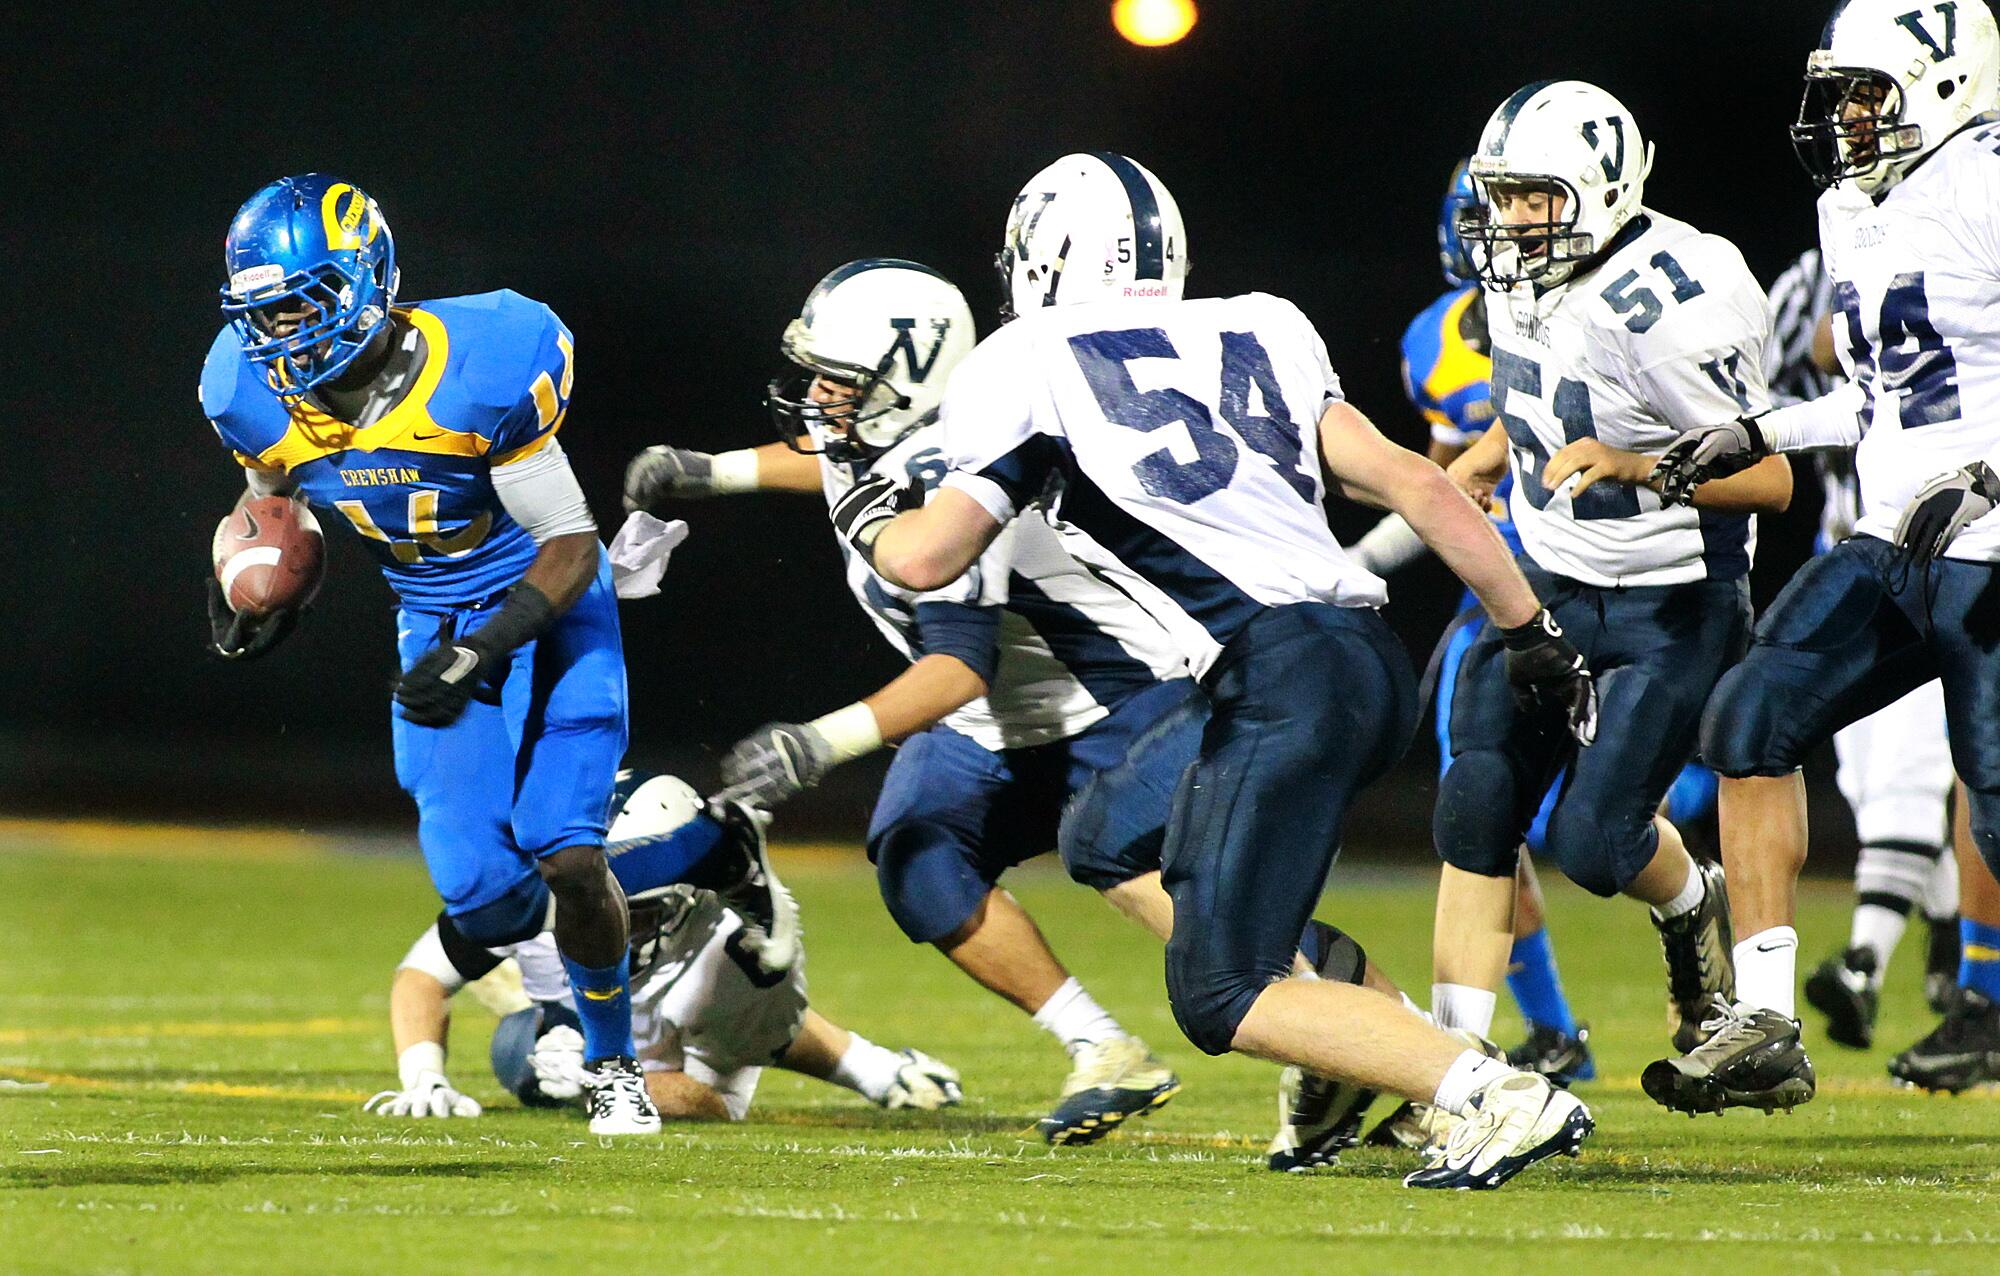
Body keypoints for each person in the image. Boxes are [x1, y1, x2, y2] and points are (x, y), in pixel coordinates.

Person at [842, 150, 1599, 1190]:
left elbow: (926, 557)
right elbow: (1419, 487)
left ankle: (1486, 1092)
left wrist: (867, 518)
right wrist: (1529, 633)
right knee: (1101, 830)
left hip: (1274, 675)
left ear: (1051, 252)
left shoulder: (1024, 359)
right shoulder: (1263, 322)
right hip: (1351, 658)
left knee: (1220, 995)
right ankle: (1361, 1062)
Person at [622, 259, 1191, 1144]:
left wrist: (821, 741)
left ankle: (1361, 1038)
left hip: (1106, 698)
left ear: (912, 379)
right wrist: (710, 472)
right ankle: (1104, 1049)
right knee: (918, 856)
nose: (818, 395)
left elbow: (958, 664)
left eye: (840, 380)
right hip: (999, 713)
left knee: (1198, 903)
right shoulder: (880, 434)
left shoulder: (958, 460)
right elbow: (840, 468)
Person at [202, 174, 669, 1132]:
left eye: (302, 303)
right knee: (487, 898)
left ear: (369, 280)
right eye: (264, 314)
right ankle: (585, 957)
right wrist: (245, 585)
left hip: (546, 606)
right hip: (430, 615)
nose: (283, 333)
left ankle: (615, 1064)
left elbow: (572, 545)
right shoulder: (245, 389)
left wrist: (487, 650)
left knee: (566, 850)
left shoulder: (486, 360)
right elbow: (273, 507)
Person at [1648, 0, 2000, 1111]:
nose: (1843, 116)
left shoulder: (1985, 179)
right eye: (1838, 91)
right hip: (1896, 541)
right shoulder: (1849, 205)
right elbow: (1880, 396)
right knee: (1749, 718)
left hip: (1992, 548)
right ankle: (1761, 1022)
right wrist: (1758, 430)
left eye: (1865, 91)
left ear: (1943, 84)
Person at [1429, 82, 1790, 1082]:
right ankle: (1450, 1072)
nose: (1507, 222)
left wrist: (1636, 465)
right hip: (1545, 580)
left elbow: (1769, 477)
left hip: (1668, 600)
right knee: (1475, 806)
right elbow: (1556, 387)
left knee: (1592, 844)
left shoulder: (1673, 298)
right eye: (1497, 197)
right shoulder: (1523, 274)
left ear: (1598, 188)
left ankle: (1688, 904)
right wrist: (1498, 446)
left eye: (1531, 198)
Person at [364, 773, 962, 1121]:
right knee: (526, 1049)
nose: (618, 926)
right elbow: (421, 978)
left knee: (536, 1058)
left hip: (694, 1016)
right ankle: (537, 1000)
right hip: (600, 998)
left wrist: (604, 1081)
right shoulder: (546, 894)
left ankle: (874, 1066)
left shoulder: (726, 951)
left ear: (689, 897)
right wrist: (424, 1078)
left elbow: (714, 1099)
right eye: (612, 904)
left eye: (640, 909)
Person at [1762, 247, 1961, 1050]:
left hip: (1946, 552)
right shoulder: (1800, 281)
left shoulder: (1956, 242)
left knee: (1907, 779)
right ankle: (1951, 943)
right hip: (1849, 555)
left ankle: (1862, 966)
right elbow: (1777, 376)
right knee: (1870, 781)